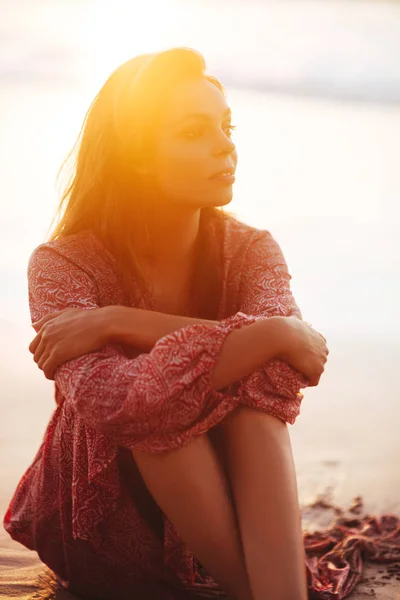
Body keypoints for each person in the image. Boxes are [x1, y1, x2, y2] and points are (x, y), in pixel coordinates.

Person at [4, 48, 328, 600]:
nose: (226, 146)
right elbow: (122, 403)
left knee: (256, 405)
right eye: (193, 132)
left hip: (237, 510)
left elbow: (292, 367)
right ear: (136, 157)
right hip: (110, 533)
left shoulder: (252, 250)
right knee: (157, 412)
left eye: (226, 127)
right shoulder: (61, 265)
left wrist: (118, 321)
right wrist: (273, 333)